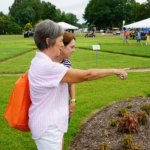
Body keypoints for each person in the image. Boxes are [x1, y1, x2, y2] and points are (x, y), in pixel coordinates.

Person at [28, 19, 129, 150]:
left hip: (47, 124)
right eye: (60, 41)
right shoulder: (48, 67)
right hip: (47, 127)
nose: (61, 45)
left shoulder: (40, 62)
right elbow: (86, 75)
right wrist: (114, 70)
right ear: (48, 42)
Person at [53, 31, 76, 120]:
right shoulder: (46, 61)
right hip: (49, 105)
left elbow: (71, 82)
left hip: (63, 102)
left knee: (62, 129)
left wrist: (73, 101)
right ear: (62, 46)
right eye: (72, 47)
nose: (74, 50)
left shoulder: (66, 61)